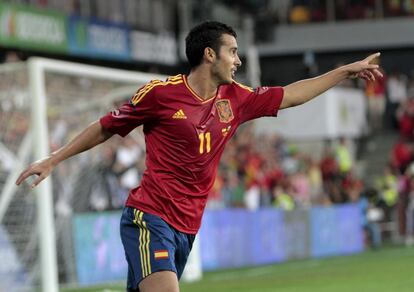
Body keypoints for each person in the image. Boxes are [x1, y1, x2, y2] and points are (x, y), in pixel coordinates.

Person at [15, 21, 382, 292]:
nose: (237, 60)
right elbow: (106, 126)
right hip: (149, 217)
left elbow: (292, 95)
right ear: (210, 54)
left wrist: (345, 72)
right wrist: (53, 158)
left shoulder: (236, 99)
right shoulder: (160, 94)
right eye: (233, 51)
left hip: (187, 228)